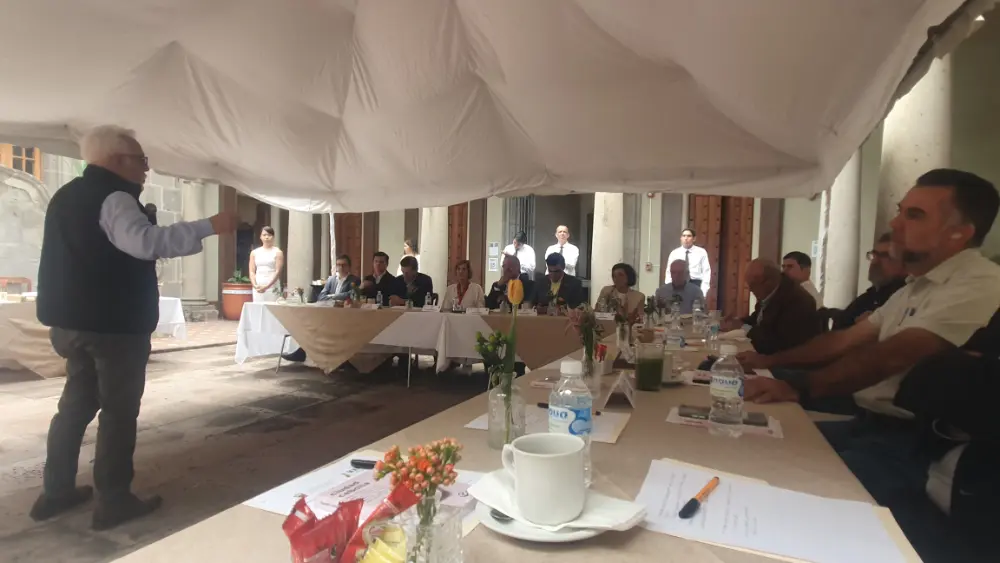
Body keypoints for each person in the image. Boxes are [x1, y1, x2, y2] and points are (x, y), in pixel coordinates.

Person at [739, 170, 1000, 543]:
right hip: (868, 427)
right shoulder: (913, 288)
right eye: (900, 211)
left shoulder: (981, 284)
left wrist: (800, 387)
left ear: (960, 232)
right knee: (756, 444)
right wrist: (769, 363)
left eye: (914, 215)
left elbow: (894, 356)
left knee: (782, 497)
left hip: (911, 448)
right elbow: (843, 340)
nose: (895, 223)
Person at [32, 125, 238, 530]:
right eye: (141, 160)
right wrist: (209, 225)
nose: (146, 169)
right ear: (115, 160)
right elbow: (146, 243)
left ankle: (54, 492)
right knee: (118, 411)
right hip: (112, 325)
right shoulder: (114, 197)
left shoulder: (65, 196)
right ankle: (113, 500)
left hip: (70, 323)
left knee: (74, 406)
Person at [720, 258, 822, 355]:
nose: (750, 290)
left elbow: (775, 343)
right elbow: (758, 319)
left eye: (753, 285)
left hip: (788, 360)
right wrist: (737, 321)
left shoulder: (796, 301)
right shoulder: (772, 292)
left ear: (768, 282)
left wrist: (744, 327)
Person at [827, 233, 907, 330]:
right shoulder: (866, 298)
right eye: (874, 254)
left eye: (884, 256)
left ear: (905, 263)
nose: (875, 261)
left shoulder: (906, 298)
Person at [665, 228, 711, 296]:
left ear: (694, 239)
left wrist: (703, 292)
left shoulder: (701, 252)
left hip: (695, 284)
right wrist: (669, 289)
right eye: (684, 236)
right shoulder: (674, 253)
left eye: (689, 236)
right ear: (681, 238)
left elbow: (706, 272)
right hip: (679, 285)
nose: (686, 238)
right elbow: (669, 272)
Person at [249, 226, 284, 302]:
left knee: (272, 306)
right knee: (258, 306)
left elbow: (278, 271)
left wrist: (267, 286)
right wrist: (255, 285)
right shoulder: (254, 252)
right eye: (264, 235)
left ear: (273, 237)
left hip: (272, 285)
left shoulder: (278, 252)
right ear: (260, 237)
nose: (266, 237)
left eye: (269, 235)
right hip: (258, 285)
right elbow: (252, 271)